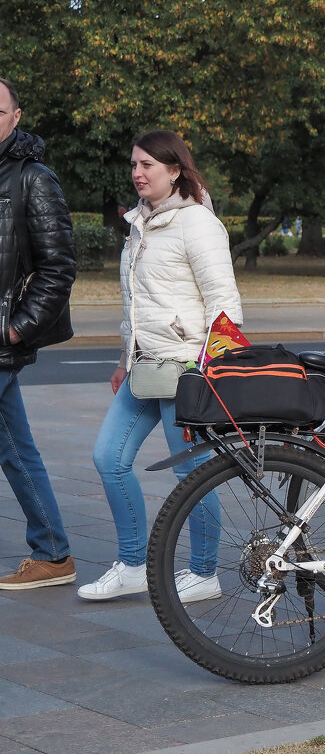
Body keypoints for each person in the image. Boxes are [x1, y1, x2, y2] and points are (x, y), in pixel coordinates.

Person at [77, 130, 242, 601]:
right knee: (108, 457)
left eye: (148, 165)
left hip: (187, 370)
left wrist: (211, 369)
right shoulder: (140, 224)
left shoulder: (198, 224)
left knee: (194, 474)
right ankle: (132, 564)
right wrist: (123, 358)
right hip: (144, 368)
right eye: (133, 165)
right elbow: (138, 303)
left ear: (175, 171)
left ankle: (205, 572)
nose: (137, 173)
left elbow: (224, 304)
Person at [0, 77, 77, 590]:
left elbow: (58, 267)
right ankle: (52, 552)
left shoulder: (33, 178)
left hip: (0, 337)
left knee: (14, 447)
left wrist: (16, 328)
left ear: (16, 115)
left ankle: (53, 551)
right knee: (14, 446)